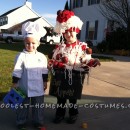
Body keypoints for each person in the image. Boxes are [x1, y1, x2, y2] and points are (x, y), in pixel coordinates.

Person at [48, 10, 101, 124]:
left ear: (76, 31)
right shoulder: (60, 47)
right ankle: (60, 114)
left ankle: (73, 114)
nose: (69, 34)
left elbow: (86, 59)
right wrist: (53, 63)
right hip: (61, 77)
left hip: (75, 77)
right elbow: (54, 59)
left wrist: (93, 61)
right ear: (63, 33)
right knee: (61, 98)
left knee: (73, 98)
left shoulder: (82, 47)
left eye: (71, 31)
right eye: (66, 32)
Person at [12, 21, 48, 129]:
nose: (30, 45)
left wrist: (45, 81)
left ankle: (38, 122)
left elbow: (44, 70)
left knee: (38, 106)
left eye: (33, 43)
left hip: (38, 86)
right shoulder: (21, 56)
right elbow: (17, 70)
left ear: (38, 43)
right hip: (24, 86)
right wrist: (14, 82)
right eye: (28, 43)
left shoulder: (42, 57)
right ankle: (21, 122)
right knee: (23, 105)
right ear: (24, 43)